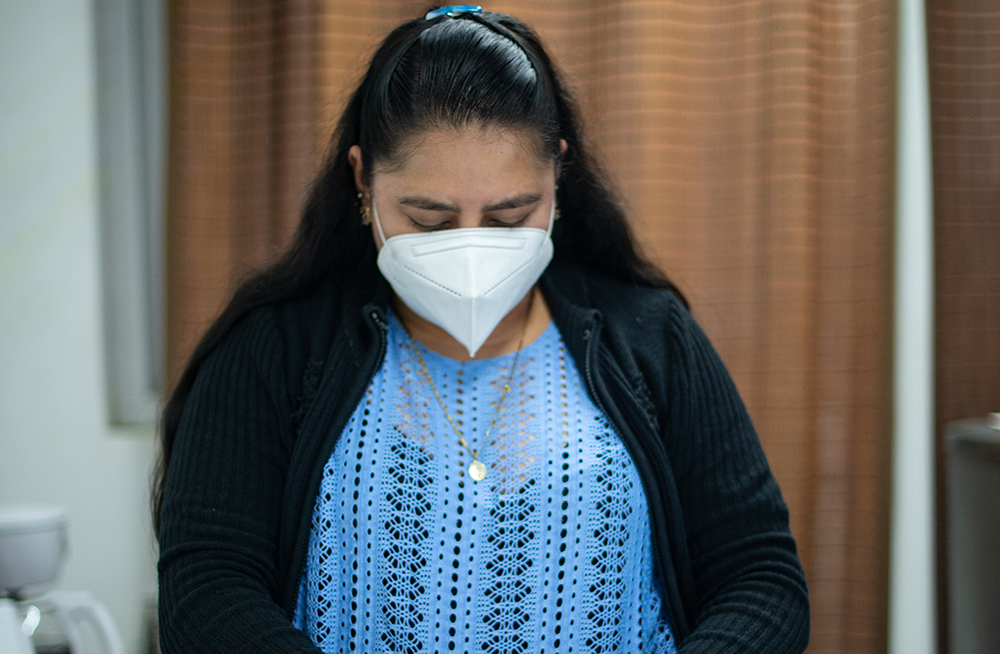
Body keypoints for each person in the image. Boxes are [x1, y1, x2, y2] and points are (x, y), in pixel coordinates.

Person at [154, 6, 810, 654]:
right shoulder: (274, 348)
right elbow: (207, 591)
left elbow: (760, 579)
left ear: (556, 174)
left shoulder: (651, 340)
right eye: (430, 219)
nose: (471, 249)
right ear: (363, 180)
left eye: (508, 216)